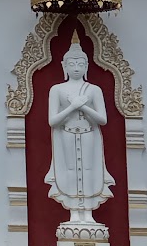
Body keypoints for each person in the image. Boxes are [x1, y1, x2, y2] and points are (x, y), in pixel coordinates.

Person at [45, 45, 111, 224]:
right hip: (67, 134)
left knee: (89, 169)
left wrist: (82, 105)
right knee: (70, 170)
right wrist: (73, 106)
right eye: (71, 63)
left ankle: (88, 212)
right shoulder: (57, 89)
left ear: (87, 66)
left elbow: (102, 119)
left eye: (80, 63)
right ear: (64, 66)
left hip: (88, 133)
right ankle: (74, 211)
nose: (76, 67)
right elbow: (53, 121)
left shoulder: (94, 90)